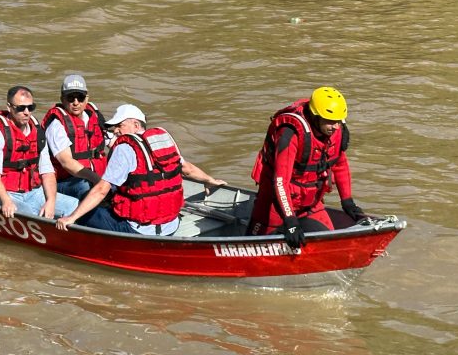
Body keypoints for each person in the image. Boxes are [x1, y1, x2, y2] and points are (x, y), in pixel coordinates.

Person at [56, 104, 226, 235]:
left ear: (135, 125)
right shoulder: (163, 140)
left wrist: (72, 217)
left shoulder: (124, 148)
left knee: (85, 210)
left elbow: (101, 189)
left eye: (119, 125)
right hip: (171, 226)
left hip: (138, 231)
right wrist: (210, 180)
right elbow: (187, 169)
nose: (115, 131)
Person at [247, 86, 365, 249]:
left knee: (329, 244)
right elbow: (280, 182)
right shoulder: (290, 133)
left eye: (339, 121)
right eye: (330, 122)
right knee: (252, 248)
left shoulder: (335, 131)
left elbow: (339, 164)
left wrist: (347, 201)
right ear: (315, 116)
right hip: (275, 203)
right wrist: (290, 220)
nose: (336, 127)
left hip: (310, 203)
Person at [0, 86, 78, 219]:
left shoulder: (38, 133)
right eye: (21, 108)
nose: (27, 112)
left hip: (32, 192)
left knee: (73, 205)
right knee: (27, 213)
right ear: (9, 107)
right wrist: (6, 201)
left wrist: (51, 201)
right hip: (0, 194)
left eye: (30, 107)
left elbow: (47, 172)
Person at [41, 74, 108, 200]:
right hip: (66, 180)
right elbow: (67, 162)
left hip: (94, 175)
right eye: (71, 98)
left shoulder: (95, 117)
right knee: (85, 186)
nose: (76, 103)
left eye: (80, 97)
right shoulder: (56, 125)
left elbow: (112, 140)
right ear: (62, 99)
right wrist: (98, 181)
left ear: (87, 98)